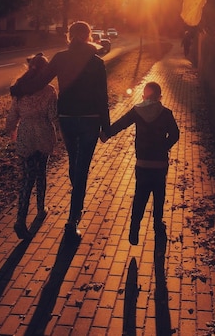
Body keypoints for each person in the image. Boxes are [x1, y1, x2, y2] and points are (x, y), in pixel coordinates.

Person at [10, 21, 110, 240]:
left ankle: (76, 205)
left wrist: (18, 87)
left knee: (75, 164)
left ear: (70, 36)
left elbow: (38, 82)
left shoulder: (60, 58)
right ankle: (73, 221)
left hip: (67, 119)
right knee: (81, 169)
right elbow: (102, 97)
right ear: (88, 36)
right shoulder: (96, 63)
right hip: (90, 121)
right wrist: (107, 127)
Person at [100, 81, 179, 245]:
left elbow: (121, 124)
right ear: (160, 96)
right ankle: (157, 224)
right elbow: (175, 134)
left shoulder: (137, 111)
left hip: (142, 163)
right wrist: (163, 147)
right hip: (159, 164)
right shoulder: (166, 113)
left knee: (140, 195)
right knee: (159, 195)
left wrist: (106, 134)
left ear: (144, 95)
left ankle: (134, 227)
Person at [6, 53, 60, 240]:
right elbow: (53, 116)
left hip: (26, 134)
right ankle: (41, 207)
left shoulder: (20, 88)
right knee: (41, 172)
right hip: (44, 133)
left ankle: (20, 219)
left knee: (27, 178)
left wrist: (12, 130)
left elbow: (12, 115)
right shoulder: (49, 90)